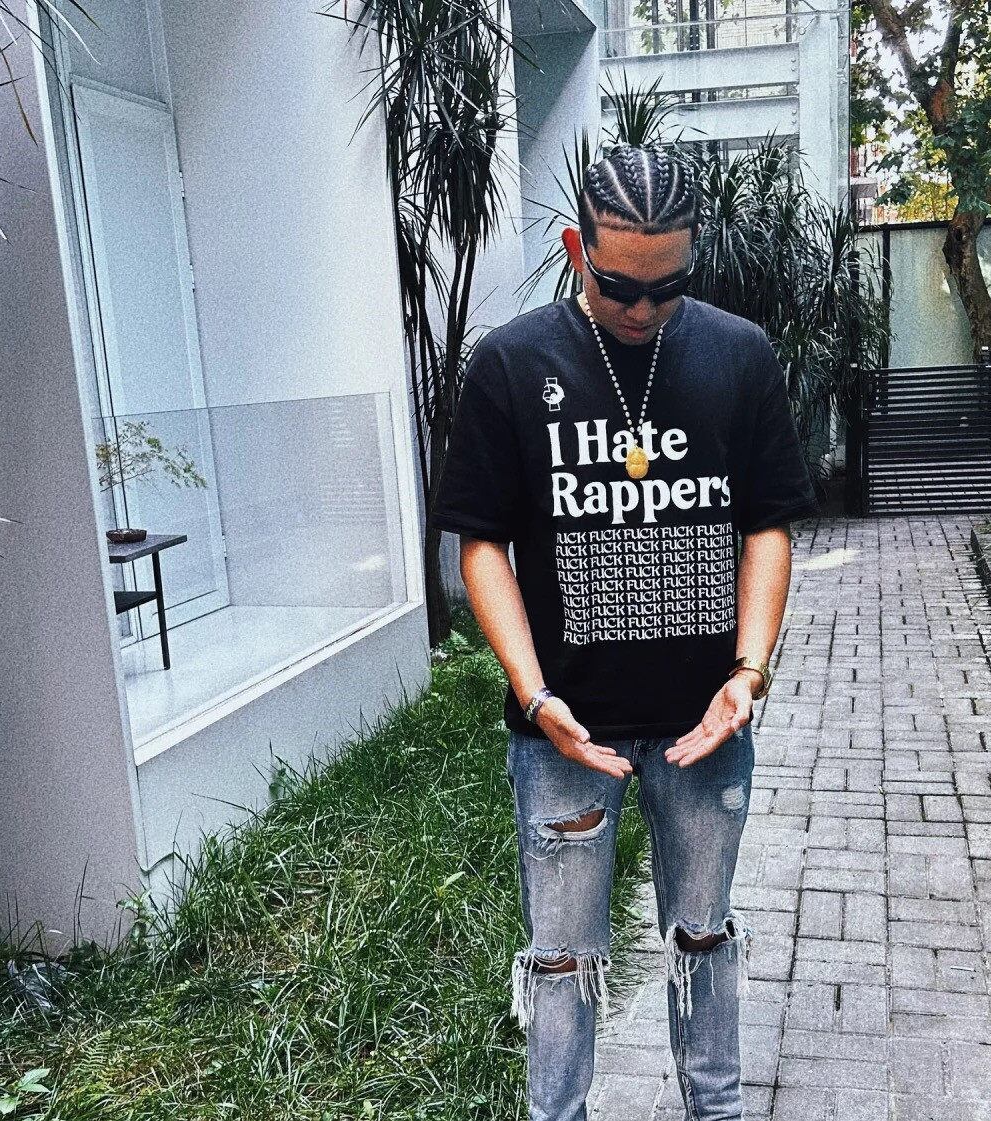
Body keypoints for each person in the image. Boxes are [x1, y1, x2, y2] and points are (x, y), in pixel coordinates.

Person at [427, 143, 820, 1121]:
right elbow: (482, 546)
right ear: (576, 250)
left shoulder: (738, 355)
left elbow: (765, 526)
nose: (643, 310)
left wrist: (749, 672)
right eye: (618, 287)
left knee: (704, 936)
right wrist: (534, 694)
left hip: (704, 724)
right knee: (561, 956)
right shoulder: (511, 362)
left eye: (666, 288)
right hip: (563, 733)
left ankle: (715, 1111)